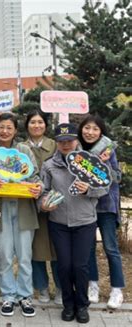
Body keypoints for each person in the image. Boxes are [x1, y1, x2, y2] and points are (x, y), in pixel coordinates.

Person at [39, 123, 108, 324]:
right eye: (61, 141)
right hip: (58, 222)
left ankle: (82, 305)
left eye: (69, 140)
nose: (66, 144)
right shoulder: (49, 165)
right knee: (64, 266)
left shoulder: (89, 162)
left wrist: (89, 189)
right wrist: (44, 204)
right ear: (57, 143)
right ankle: (68, 305)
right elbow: (43, 191)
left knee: (80, 266)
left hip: (85, 222)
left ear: (76, 140)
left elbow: (102, 188)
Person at [0, 112, 41, 318]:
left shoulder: (24, 149)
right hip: (0, 209)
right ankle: (8, 295)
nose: (5, 131)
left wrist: (37, 188)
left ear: (16, 130)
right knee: (5, 256)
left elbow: (36, 177)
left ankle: (25, 296)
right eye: (1, 127)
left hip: (24, 207)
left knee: (25, 257)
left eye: (9, 127)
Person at [77, 115, 125, 309]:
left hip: (105, 206)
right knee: (87, 249)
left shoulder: (108, 149)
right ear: (81, 130)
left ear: (101, 131)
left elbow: (117, 178)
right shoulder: (76, 149)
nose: (90, 132)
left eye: (95, 129)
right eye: (87, 128)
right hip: (85, 205)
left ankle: (117, 289)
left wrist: (104, 163)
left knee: (111, 249)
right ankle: (93, 285)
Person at [21, 110, 61, 305]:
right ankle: (42, 288)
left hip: (54, 205)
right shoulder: (20, 148)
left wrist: (50, 199)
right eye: (32, 122)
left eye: (40, 122)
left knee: (56, 249)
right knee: (35, 249)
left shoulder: (55, 145)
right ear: (27, 125)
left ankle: (61, 289)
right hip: (29, 205)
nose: (36, 126)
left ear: (46, 125)